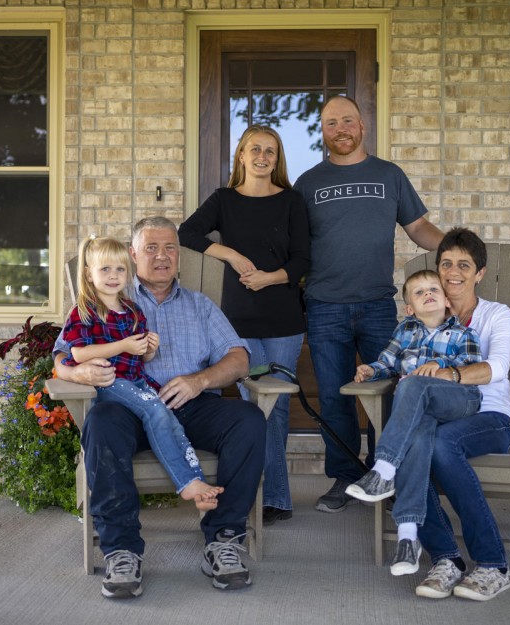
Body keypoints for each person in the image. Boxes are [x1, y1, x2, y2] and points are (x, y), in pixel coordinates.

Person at [53, 217, 267, 598]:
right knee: (101, 422)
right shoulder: (106, 299)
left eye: (170, 247)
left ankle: (223, 540)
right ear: (133, 256)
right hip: (128, 406)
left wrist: (198, 381)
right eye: (150, 248)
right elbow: (61, 358)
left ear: (180, 257)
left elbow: (239, 359)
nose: (162, 256)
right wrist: (80, 372)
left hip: (192, 404)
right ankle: (121, 549)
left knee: (248, 420)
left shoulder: (200, 305)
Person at [293, 94, 446, 513]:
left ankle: (386, 472)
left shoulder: (389, 175)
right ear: (322, 132)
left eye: (348, 121)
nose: (340, 129)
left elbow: (418, 227)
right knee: (333, 396)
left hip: (379, 305)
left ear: (362, 127)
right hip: (324, 305)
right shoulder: (308, 183)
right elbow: (292, 245)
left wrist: (455, 252)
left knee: (391, 392)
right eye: (331, 123)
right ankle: (345, 477)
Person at [179, 125, 310, 526]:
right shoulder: (224, 200)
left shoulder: (292, 201)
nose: (262, 156)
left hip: (284, 321)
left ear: (277, 158)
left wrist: (269, 278)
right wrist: (232, 255)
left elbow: (304, 261)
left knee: (278, 407)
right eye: (255, 149)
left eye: (270, 151)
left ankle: (276, 499)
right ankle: (252, 495)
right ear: (241, 155)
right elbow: (187, 233)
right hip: (238, 324)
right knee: (253, 407)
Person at [389, 227, 510, 602]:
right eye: (446, 263)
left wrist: (449, 374)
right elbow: (396, 361)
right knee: (410, 447)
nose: (453, 271)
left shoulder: (496, 314)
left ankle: (494, 565)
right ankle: (446, 559)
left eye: (464, 264)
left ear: (479, 273)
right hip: (435, 415)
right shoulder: (423, 314)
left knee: (442, 444)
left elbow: (499, 367)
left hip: (490, 418)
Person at [61, 235, 223, 512]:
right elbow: (77, 355)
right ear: (89, 274)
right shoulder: (83, 311)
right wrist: (123, 345)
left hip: (135, 380)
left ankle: (194, 480)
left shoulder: (132, 311)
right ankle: (187, 484)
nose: (113, 276)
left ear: (129, 271)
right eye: (105, 269)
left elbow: (140, 357)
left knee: (170, 418)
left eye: (120, 269)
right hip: (109, 381)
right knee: (157, 411)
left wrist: (148, 349)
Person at [343, 269, 483, 576]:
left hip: (459, 400)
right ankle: (408, 537)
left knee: (409, 385)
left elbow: (473, 366)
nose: (428, 294)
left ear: (447, 301)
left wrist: (439, 363)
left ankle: (383, 470)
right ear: (410, 308)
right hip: (419, 412)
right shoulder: (404, 331)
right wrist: (370, 370)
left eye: (434, 289)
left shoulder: (462, 333)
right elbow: (387, 361)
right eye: (419, 293)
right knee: (416, 438)